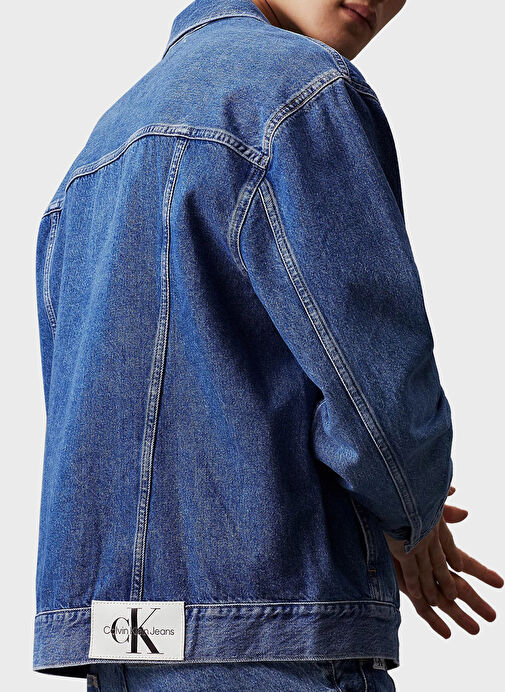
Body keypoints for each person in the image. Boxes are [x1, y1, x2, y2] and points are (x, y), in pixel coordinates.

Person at [32, 0, 503, 690]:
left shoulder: (92, 158)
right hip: (274, 639)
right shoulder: (300, 90)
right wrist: (412, 509)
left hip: (123, 648)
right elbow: (376, 396)